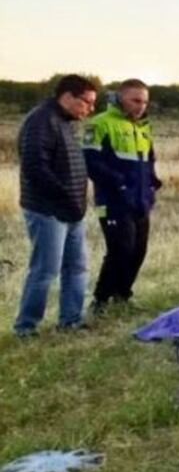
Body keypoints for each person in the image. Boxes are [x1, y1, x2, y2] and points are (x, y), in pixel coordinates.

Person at [13, 75, 97, 337]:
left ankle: (71, 321)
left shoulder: (65, 121)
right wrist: (64, 198)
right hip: (48, 211)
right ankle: (26, 328)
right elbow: (35, 168)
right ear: (68, 97)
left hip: (71, 211)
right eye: (87, 102)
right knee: (45, 271)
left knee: (77, 267)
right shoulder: (41, 120)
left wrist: (75, 203)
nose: (90, 109)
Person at [83, 79, 161, 312]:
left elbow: (149, 160)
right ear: (120, 98)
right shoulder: (98, 124)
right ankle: (100, 300)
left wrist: (152, 185)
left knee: (138, 250)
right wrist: (120, 185)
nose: (141, 106)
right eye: (135, 100)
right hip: (112, 201)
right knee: (120, 249)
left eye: (145, 102)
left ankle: (123, 296)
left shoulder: (143, 126)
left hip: (141, 200)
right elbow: (91, 162)